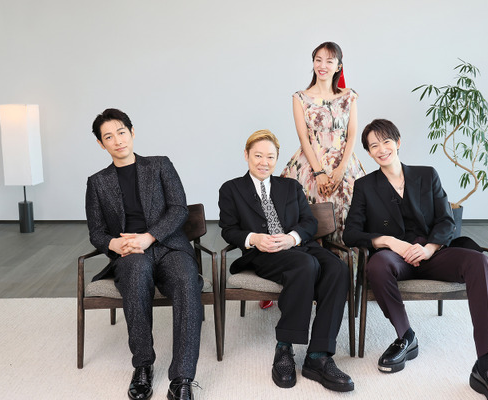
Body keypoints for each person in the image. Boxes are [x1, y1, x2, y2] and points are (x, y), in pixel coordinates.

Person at [343, 119, 488, 400]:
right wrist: (390, 242)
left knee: (478, 261)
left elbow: (446, 220)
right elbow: (350, 233)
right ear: (369, 152)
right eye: (374, 146)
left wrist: (429, 248)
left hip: (432, 254)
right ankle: (406, 337)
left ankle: (485, 367)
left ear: (398, 142)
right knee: (377, 264)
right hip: (395, 259)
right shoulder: (365, 186)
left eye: (386, 141)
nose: (381, 149)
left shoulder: (427, 175)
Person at [218, 129, 354, 393]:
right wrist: (254, 239)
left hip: (297, 246)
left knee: (337, 268)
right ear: (246, 155)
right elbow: (228, 229)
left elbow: (309, 222)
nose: (264, 162)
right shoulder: (231, 189)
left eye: (270, 157)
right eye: (258, 155)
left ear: (277, 159)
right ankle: (284, 347)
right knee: (305, 265)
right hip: (263, 254)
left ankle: (319, 355)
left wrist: (292, 238)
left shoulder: (290, 186)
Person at [85, 108, 202, 400]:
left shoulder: (160, 165)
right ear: (101, 144)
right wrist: (115, 245)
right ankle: (143, 365)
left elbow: (179, 209)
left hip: (168, 245)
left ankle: (183, 377)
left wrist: (149, 237)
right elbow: (97, 232)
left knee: (186, 281)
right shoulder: (97, 182)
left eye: (121, 132)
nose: (117, 141)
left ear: (132, 132)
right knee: (136, 275)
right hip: (129, 252)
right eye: (108, 137)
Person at [281, 41, 365, 245]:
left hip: (344, 166)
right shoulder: (300, 97)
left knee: (347, 217)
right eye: (318, 60)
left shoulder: (349, 96)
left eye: (329, 61)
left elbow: (352, 134)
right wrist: (318, 173)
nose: (322, 65)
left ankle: (347, 265)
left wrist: (341, 168)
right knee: (311, 220)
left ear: (338, 66)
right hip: (310, 166)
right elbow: (303, 137)